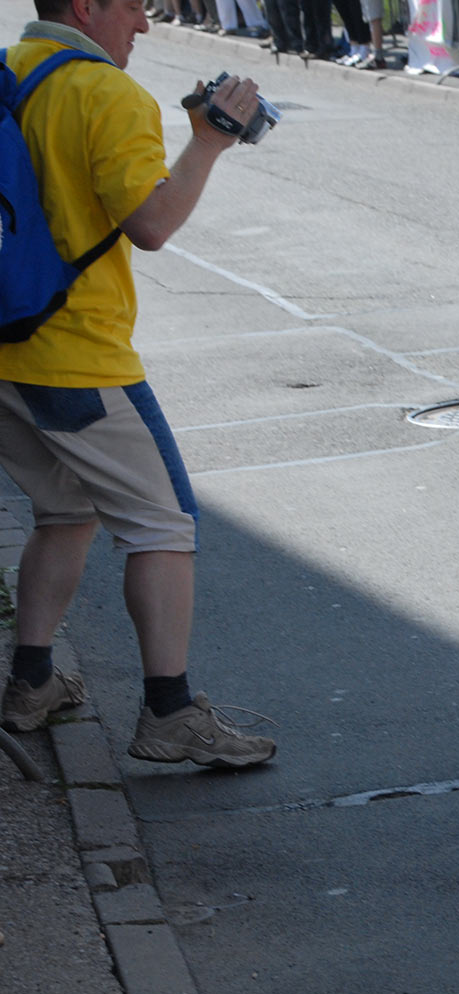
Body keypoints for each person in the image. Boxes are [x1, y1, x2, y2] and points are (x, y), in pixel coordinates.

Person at [0, 0, 277, 768]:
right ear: (86, 6)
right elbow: (150, 224)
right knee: (163, 524)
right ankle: (169, 711)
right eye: (132, 7)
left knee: (64, 510)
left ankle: (30, 683)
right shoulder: (106, 93)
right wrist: (209, 141)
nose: (145, 26)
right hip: (76, 355)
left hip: (6, 349)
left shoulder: (11, 68)